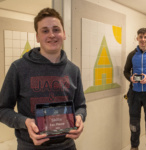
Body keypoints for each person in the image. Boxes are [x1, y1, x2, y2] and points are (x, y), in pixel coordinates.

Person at [0, 8, 86, 150]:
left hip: (67, 146)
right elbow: (2, 109)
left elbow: (81, 106)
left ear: (64, 34)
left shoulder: (73, 70)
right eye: (45, 31)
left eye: (56, 29)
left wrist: (80, 117)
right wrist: (25, 122)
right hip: (30, 146)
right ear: (37, 37)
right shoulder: (18, 68)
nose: (51, 35)